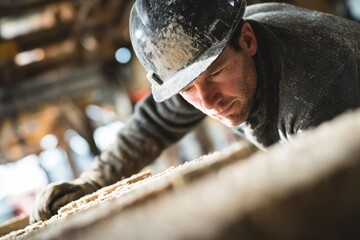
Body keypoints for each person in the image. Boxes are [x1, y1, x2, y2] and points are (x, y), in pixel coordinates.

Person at [30, 0, 360, 223]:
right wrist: (92, 181)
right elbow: (152, 124)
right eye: (187, 89)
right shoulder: (215, 53)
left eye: (215, 74)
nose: (207, 102)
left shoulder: (318, 97)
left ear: (247, 40)